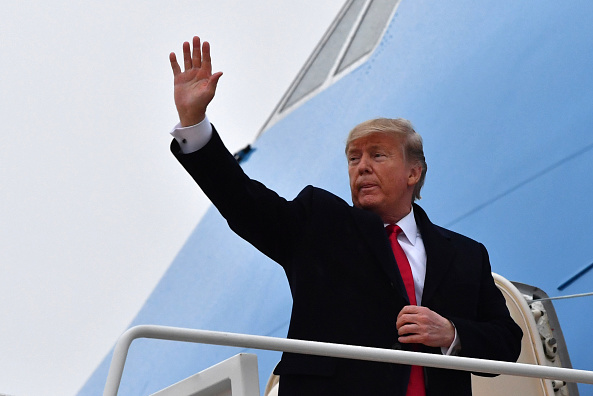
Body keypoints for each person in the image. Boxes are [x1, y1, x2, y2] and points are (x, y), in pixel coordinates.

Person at [168, 36, 522, 396]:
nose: (362, 167)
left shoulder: (466, 255)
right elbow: (242, 201)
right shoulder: (318, 224)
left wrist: (452, 333)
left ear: (413, 173)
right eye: (354, 158)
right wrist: (195, 124)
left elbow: (507, 342)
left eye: (378, 156)